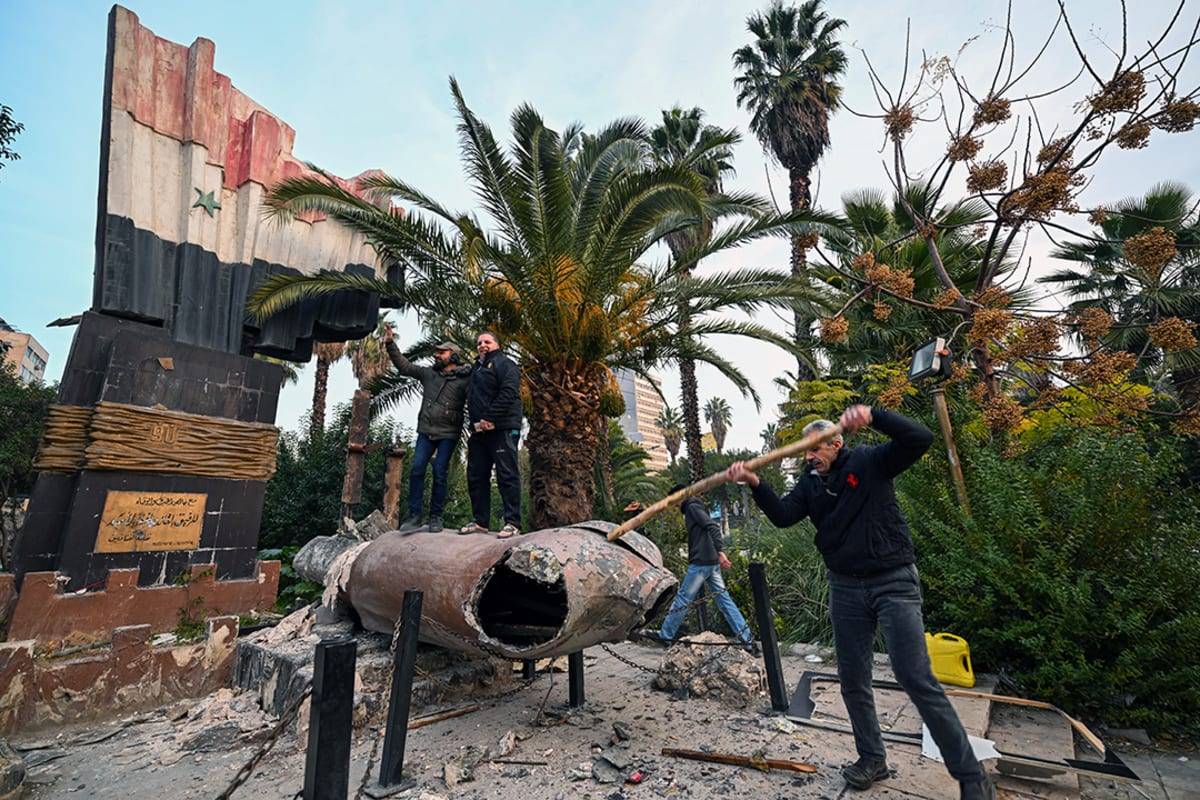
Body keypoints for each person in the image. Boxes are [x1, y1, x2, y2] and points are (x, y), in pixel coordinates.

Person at [726, 405, 995, 800]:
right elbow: (784, 516)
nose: (809, 457)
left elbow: (921, 439)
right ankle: (872, 758)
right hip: (845, 587)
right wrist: (754, 483)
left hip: (893, 581)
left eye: (816, 449)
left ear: (837, 443)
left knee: (914, 675)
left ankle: (971, 775)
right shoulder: (810, 484)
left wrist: (875, 415)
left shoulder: (871, 462)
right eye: (805, 452)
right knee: (853, 680)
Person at [648, 486, 757, 655]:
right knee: (725, 602)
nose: (673, 506)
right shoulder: (696, 506)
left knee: (683, 599)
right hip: (711, 563)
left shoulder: (692, 507)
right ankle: (749, 642)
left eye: (673, 501)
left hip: (701, 563)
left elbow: (712, 526)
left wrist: (720, 551)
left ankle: (666, 636)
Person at [384, 327, 472, 533]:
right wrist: (390, 344)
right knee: (416, 470)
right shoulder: (429, 374)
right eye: (437, 352)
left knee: (440, 472)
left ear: (454, 356)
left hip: (448, 433)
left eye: (442, 352)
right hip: (426, 430)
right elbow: (404, 367)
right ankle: (415, 516)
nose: (437, 355)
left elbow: (478, 398)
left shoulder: (465, 379)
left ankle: (436, 517)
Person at [459, 330, 523, 538]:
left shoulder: (506, 364)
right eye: (479, 343)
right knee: (476, 475)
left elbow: (509, 392)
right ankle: (480, 522)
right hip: (479, 431)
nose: (482, 345)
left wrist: (489, 417)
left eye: (487, 341)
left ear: (497, 344)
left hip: (502, 428)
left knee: (507, 475)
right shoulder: (476, 368)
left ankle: (512, 522)